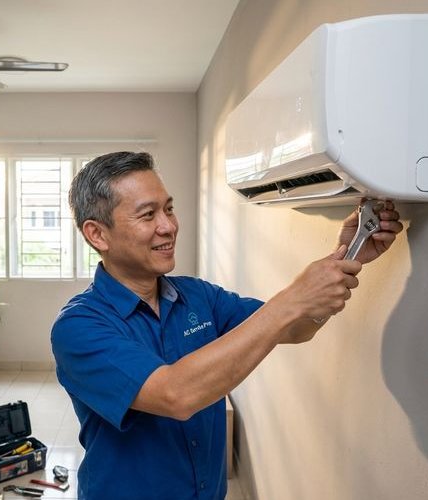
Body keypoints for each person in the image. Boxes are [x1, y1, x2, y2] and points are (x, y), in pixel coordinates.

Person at [51, 151, 403, 500]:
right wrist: (291, 300)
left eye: (169, 209)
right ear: (98, 235)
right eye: (148, 215)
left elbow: (295, 328)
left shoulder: (199, 296)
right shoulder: (79, 327)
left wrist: (348, 252)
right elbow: (176, 395)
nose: (169, 226)